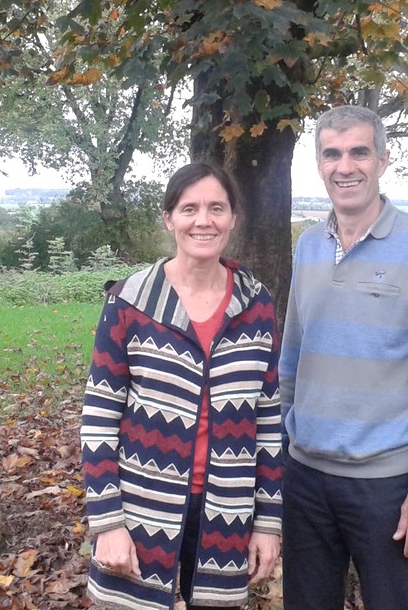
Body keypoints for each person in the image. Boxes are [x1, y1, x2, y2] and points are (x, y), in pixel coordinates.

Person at [279, 105, 408, 610]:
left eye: (359, 152)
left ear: (383, 160)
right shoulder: (308, 247)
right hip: (306, 477)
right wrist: (281, 446)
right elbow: (291, 360)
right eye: (332, 154)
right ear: (319, 165)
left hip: (386, 485)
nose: (346, 166)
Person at [81, 161, 283, 610]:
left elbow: (269, 421)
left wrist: (268, 522)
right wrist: (107, 523)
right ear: (169, 218)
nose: (203, 220)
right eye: (189, 208)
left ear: (233, 218)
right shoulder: (131, 301)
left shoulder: (257, 304)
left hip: (227, 513)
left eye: (217, 207)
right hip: (140, 509)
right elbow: (98, 420)